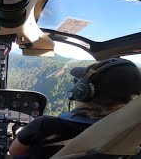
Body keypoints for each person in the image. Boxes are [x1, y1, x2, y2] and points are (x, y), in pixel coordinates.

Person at [9, 58, 141, 159]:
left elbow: (13, 152)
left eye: (77, 82)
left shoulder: (45, 125)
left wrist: (23, 133)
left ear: (82, 91)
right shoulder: (131, 139)